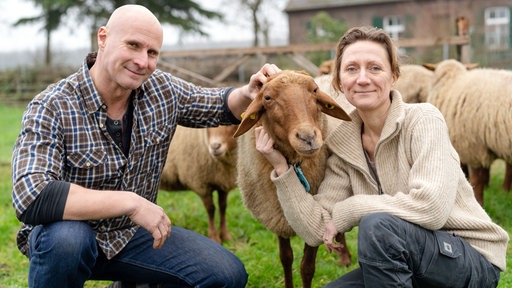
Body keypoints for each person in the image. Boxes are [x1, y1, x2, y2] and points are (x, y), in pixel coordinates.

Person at [11, 4, 281, 288]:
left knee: (227, 275)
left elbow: (217, 105)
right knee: (67, 240)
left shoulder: (161, 90)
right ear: (102, 38)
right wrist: (131, 202)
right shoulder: (52, 105)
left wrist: (249, 92)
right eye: (133, 45)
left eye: (152, 52)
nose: (143, 61)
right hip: (68, 238)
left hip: (132, 236)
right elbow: (32, 195)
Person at [254, 26, 508, 287]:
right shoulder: (344, 143)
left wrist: (351, 209)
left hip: (467, 258)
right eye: (352, 69)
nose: (363, 79)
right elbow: (315, 228)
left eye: (375, 68)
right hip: (403, 260)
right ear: (339, 82)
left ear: (394, 76)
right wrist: (282, 169)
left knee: (377, 225)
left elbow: (431, 209)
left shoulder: (423, 120)